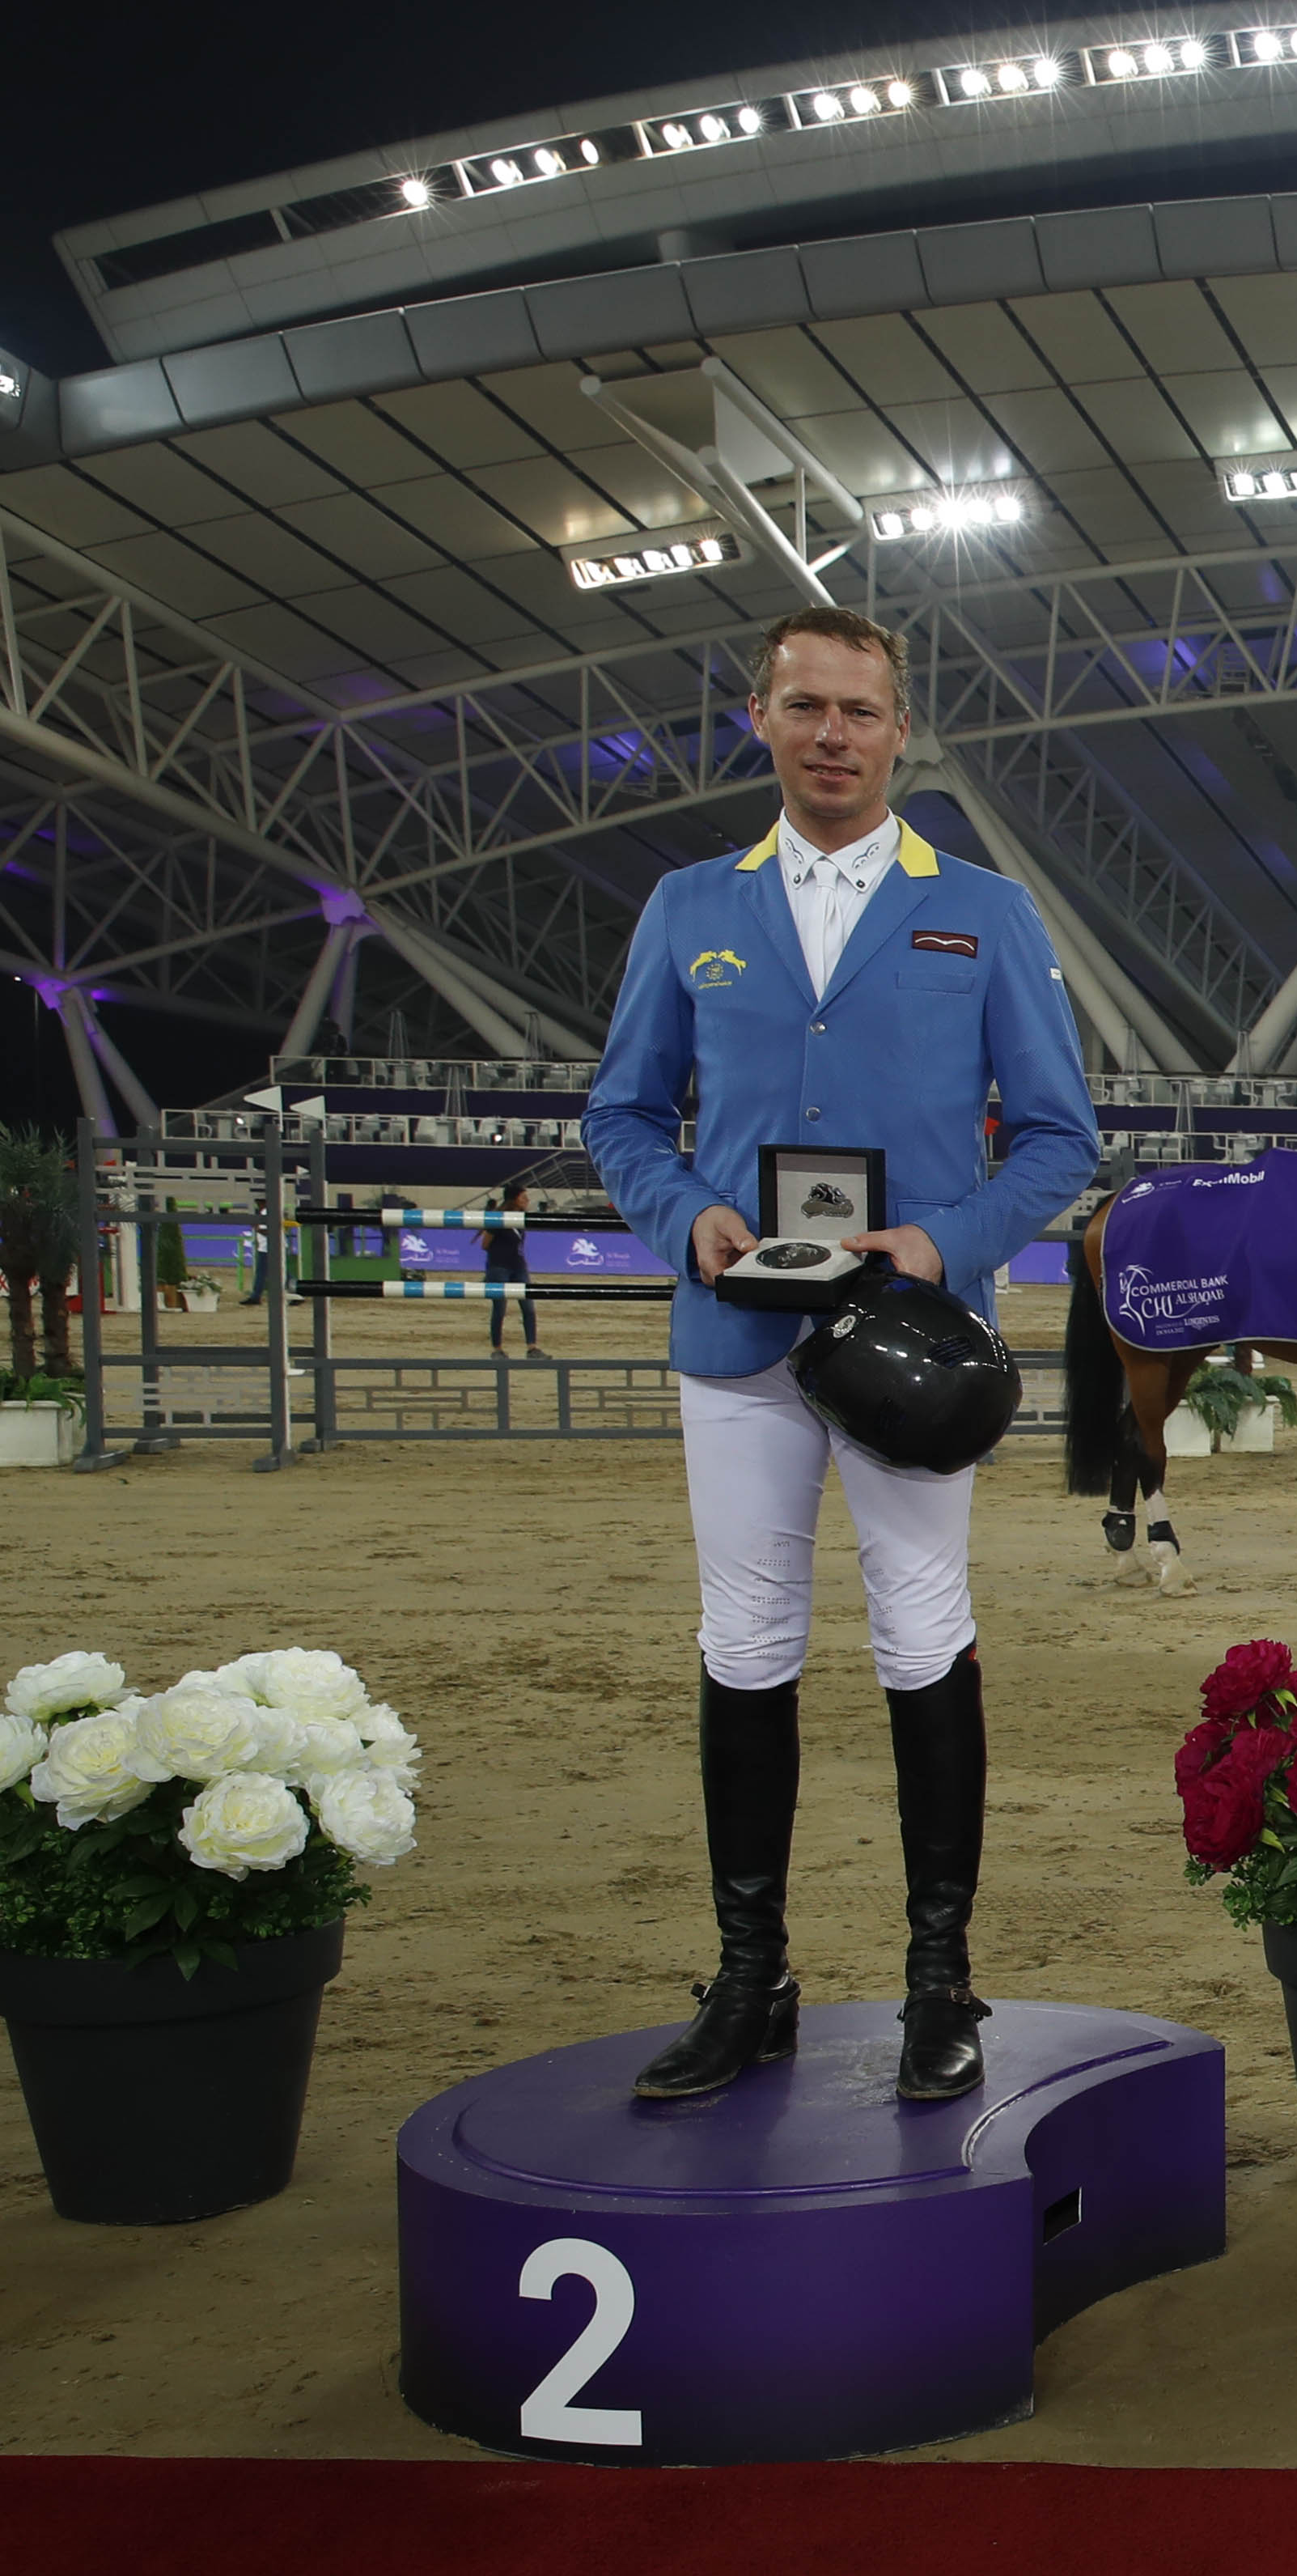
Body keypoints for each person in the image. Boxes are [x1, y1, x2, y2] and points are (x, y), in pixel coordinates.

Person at [584, 605, 1098, 2107]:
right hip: (738, 1333)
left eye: (859, 712)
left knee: (918, 1621)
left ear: (898, 731)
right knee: (744, 1637)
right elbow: (622, 1112)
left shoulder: (984, 911)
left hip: (910, 1344)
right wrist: (686, 1218)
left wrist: (944, 1241)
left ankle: (941, 1977)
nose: (831, 735)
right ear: (759, 718)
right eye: (803, 705)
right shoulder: (689, 904)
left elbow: (1061, 1133)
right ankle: (752, 1975)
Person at [480, 1217, 537, 1356]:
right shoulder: (498, 1220)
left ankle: (532, 1348)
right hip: (499, 1267)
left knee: (528, 1308)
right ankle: (497, 1349)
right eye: (523, 1198)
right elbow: (485, 1244)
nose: (527, 1201)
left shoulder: (520, 1220)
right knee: (500, 1309)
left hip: (518, 1266)